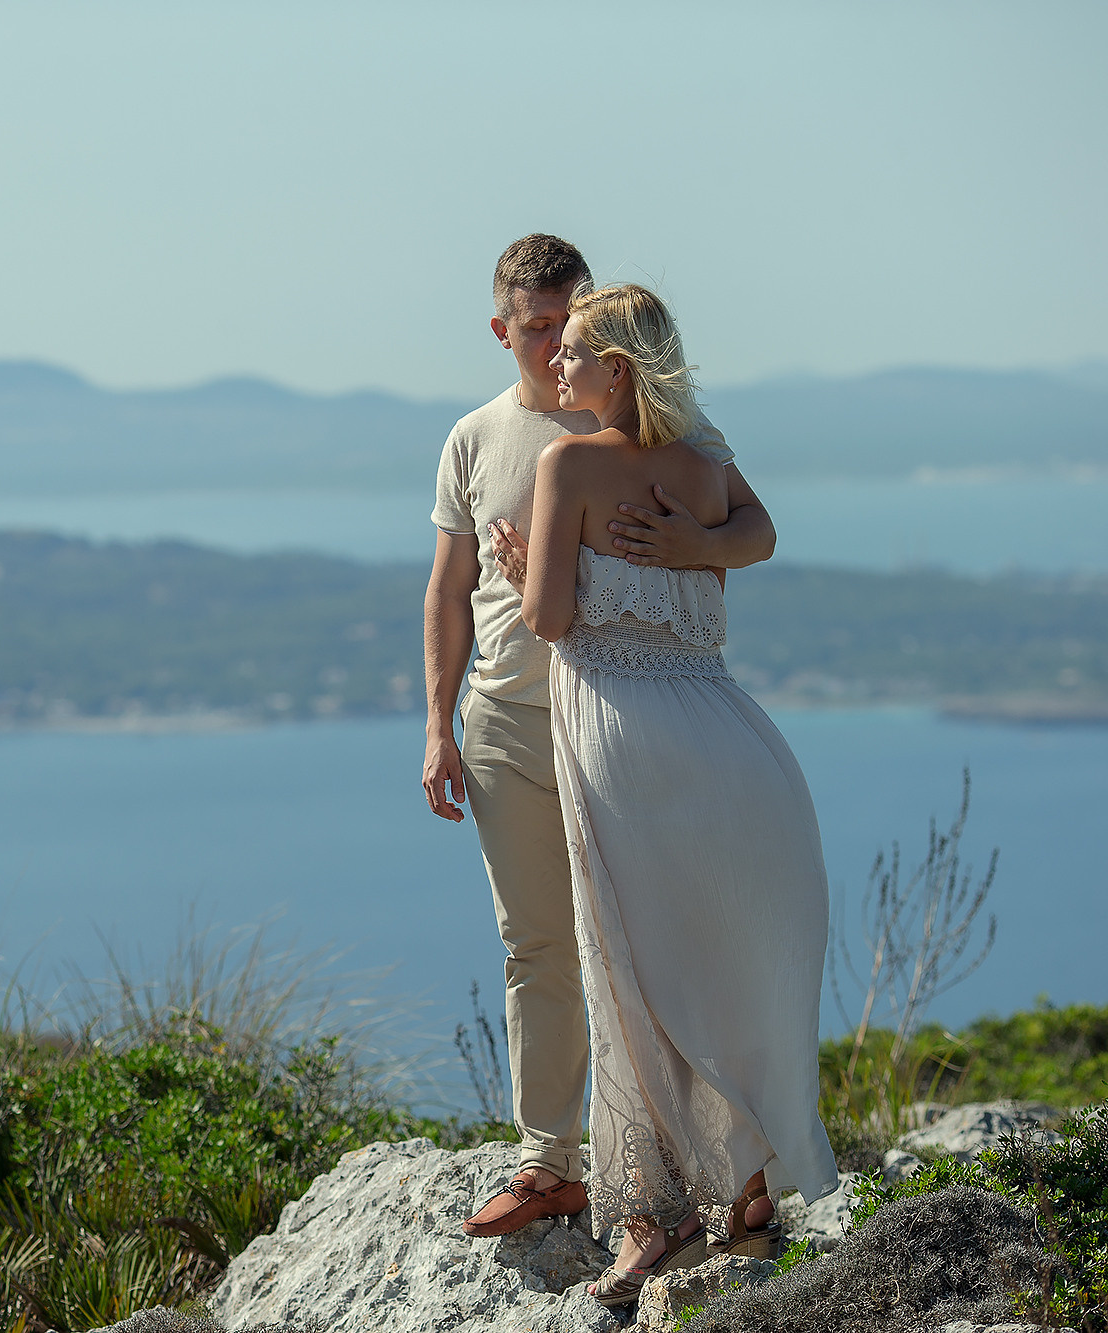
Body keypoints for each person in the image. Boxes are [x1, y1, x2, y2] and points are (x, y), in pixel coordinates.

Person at [422, 235, 778, 1239]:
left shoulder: (658, 427)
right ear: (502, 331)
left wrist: (690, 545)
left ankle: (703, 1163)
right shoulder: (472, 440)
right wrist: (435, 727)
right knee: (533, 941)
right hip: (505, 720)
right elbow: (448, 592)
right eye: (535, 326)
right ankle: (547, 1161)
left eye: (568, 321)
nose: (553, 341)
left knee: (648, 941)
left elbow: (752, 530)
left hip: (621, 721)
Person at [514, 281, 838, 1306]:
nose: (555, 365)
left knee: (632, 980)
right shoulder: (703, 464)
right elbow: (762, 532)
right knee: (714, 973)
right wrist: (701, 546)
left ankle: (648, 1224)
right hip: (738, 749)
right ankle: (742, 1182)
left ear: (616, 367)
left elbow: (552, 623)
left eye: (571, 351)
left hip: (625, 741)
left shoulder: (564, 463)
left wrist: (529, 561)